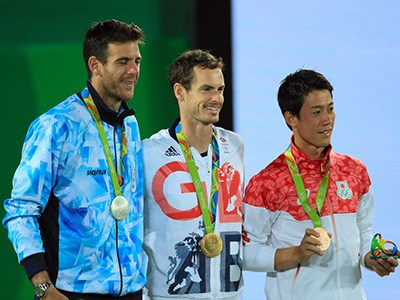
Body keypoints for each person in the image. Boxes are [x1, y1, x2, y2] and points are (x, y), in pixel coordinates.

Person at [2, 19, 147, 300]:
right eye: (123, 61)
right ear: (95, 65)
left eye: (137, 61)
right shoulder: (56, 125)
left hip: (131, 292)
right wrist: (43, 287)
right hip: (73, 292)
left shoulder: (129, 124)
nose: (134, 71)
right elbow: (21, 210)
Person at [242, 69, 399, 299]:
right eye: (317, 112)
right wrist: (295, 253)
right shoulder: (267, 182)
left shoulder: (355, 171)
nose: (328, 120)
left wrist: (372, 258)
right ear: (291, 118)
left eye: (331, 108)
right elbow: (244, 253)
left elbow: (363, 233)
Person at [142, 49, 244, 299]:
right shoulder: (148, 152)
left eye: (220, 89)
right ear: (180, 92)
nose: (217, 98)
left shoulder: (235, 145)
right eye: (207, 89)